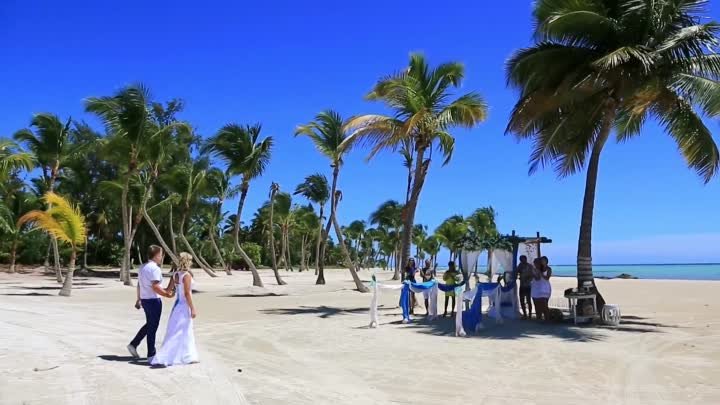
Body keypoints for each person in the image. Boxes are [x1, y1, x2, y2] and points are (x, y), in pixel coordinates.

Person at [151, 252, 199, 366]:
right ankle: (186, 355)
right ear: (187, 261)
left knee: (175, 330)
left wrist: (158, 289)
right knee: (184, 330)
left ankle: (184, 355)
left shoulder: (175, 275)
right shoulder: (186, 275)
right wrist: (193, 308)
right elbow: (187, 293)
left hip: (177, 305)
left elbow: (168, 290)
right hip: (184, 306)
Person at [128, 245, 175, 361]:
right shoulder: (155, 269)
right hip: (153, 300)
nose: (162, 257)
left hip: (145, 299)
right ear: (157, 255)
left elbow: (139, 284)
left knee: (150, 324)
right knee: (153, 327)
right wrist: (166, 294)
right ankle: (151, 354)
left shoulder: (142, 267)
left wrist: (138, 298)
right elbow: (155, 286)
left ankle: (134, 344)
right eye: (161, 254)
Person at [531, 256, 552, 321]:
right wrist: (534, 273)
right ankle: (539, 317)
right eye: (541, 261)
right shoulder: (538, 268)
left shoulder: (548, 269)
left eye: (543, 260)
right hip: (536, 287)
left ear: (546, 261)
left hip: (545, 288)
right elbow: (537, 278)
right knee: (536, 303)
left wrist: (540, 273)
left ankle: (547, 319)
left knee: (544, 304)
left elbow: (547, 278)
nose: (542, 262)